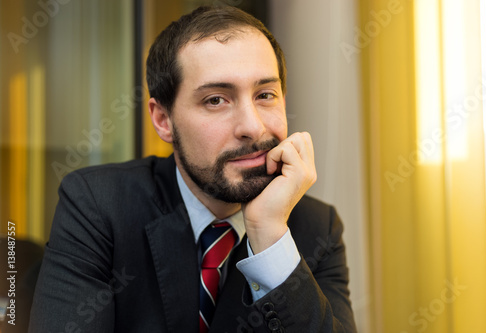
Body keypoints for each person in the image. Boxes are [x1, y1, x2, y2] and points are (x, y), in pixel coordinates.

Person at [29, 5, 356, 333]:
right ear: (163, 120)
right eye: (216, 100)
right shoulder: (99, 205)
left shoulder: (317, 228)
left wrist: (270, 238)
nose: (253, 127)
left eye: (265, 95)